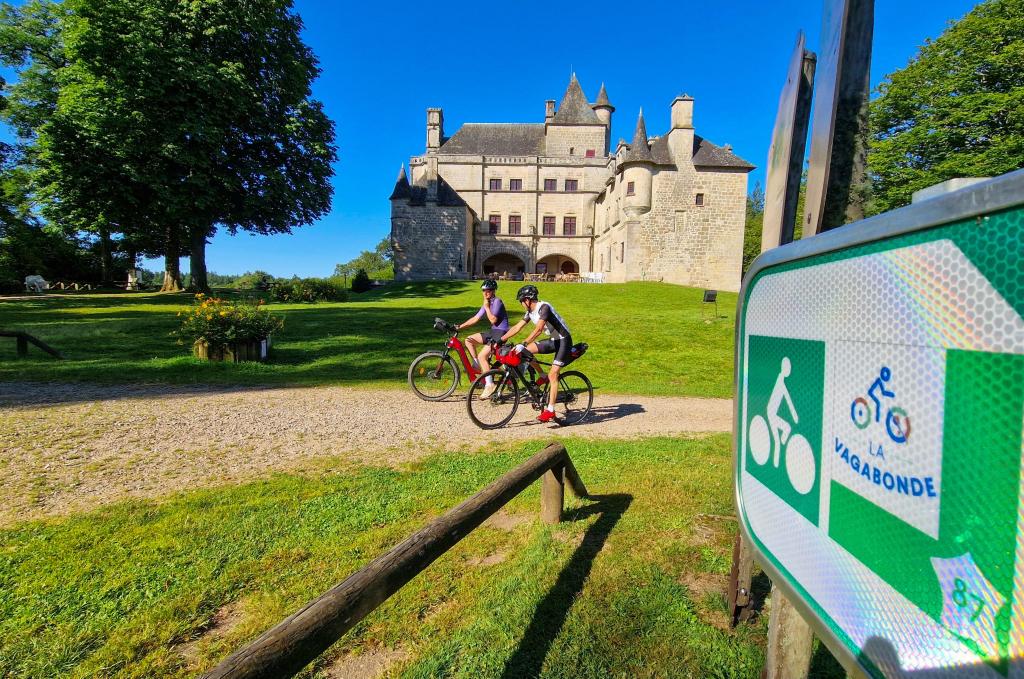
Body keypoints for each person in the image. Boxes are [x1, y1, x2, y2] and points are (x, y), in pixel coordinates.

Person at [502, 284, 573, 423]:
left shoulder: (544, 308)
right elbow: (517, 327)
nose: (521, 304)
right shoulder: (530, 312)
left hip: (564, 341)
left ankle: (551, 411)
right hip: (553, 340)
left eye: (521, 301)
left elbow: (539, 329)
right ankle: (541, 374)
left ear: (528, 300)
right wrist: (501, 339)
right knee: (527, 352)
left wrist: (524, 342)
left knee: (554, 374)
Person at [456, 279, 509, 394]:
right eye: (483, 290)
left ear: (493, 291)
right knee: (469, 340)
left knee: (482, 356)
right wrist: (460, 326)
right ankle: (477, 365)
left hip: (501, 333)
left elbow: (493, 320)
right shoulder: (487, 303)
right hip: (493, 331)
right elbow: (475, 318)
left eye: (488, 291)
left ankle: (490, 385)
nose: (485, 293)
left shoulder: (497, 302)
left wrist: (486, 307)